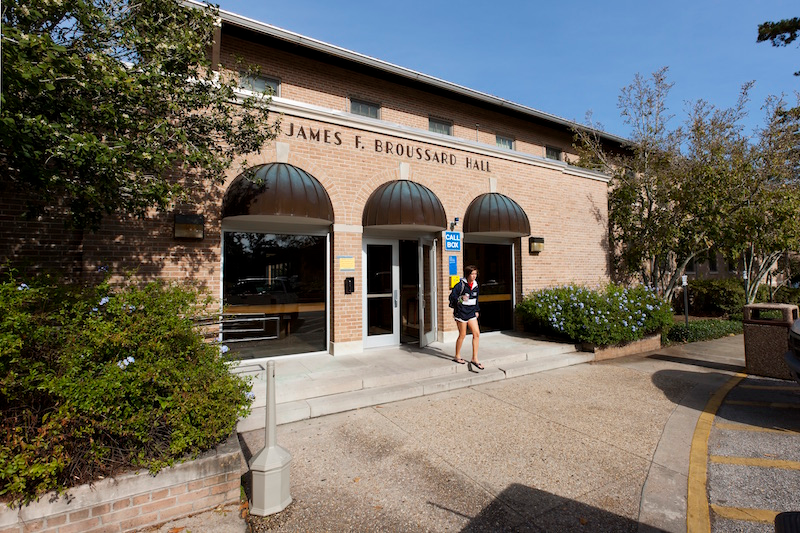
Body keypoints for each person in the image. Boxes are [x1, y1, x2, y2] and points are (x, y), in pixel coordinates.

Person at [449, 265, 483, 370]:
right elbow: (451, 298)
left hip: (471, 312)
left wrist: (477, 310)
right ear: (467, 274)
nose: (474, 276)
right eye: (472, 274)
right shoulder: (460, 285)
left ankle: (474, 358)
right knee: (462, 334)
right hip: (461, 313)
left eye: (475, 274)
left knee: (476, 334)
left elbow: (476, 299)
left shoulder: (476, 285)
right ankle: (457, 356)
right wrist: (460, 298)